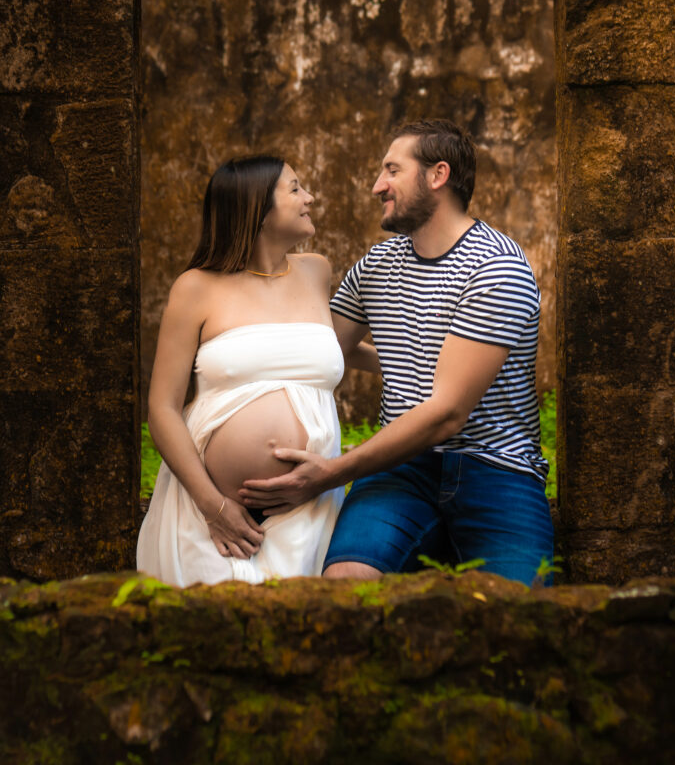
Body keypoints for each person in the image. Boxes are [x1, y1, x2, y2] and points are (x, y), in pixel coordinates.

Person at [240, 120, 555, 586]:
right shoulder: (375, 267)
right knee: (345, 583)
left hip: (496, 468)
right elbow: (323, 351)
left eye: (391, 170)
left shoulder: (497, 268)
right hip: (400, 471)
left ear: (437, 175)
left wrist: (331, 473)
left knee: (520, 611)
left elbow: (446, 413)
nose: (376, 186)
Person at [136, 155, 346, 587]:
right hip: (203, 512)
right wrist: (213, 506)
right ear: (258, 209)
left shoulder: (316, 271)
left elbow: (333, 348)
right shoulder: (195, 287)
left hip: (309, 507)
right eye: (295, 188)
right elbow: (162, 408)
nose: (309, 197)